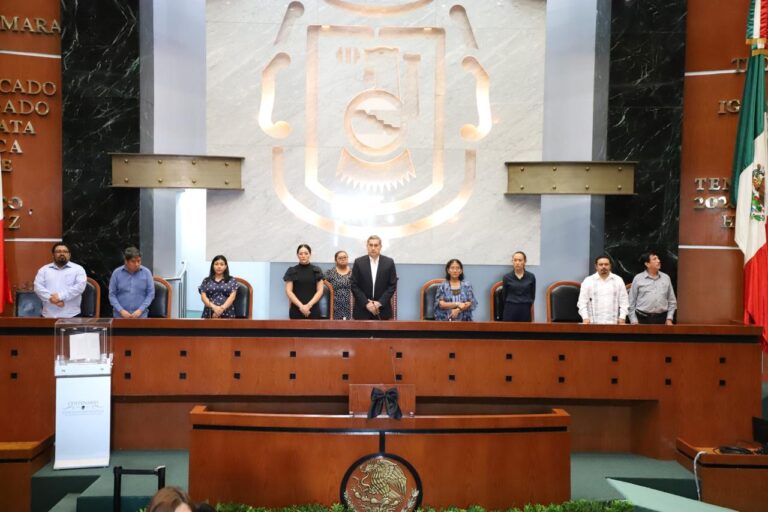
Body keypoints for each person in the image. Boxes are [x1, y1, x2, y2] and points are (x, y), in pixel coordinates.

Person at [33, 243, 87, 318]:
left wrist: (60, 297)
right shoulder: (44, 270)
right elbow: (38, 287)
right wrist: (52, 299)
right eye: (58, 251)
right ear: (53, 254)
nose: (62, 253)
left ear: (69, 254)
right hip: (48, 315)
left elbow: (79, 287)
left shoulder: (78, 269)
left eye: (65, 251)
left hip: (71, 315)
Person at [350, 235, 398, 320]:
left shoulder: (389, 262)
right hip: (362, 310)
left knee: (383, 334)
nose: (373, 248)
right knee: (362, 334)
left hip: (382, 310)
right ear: (367, 246)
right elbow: (354, 285)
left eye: (376, 245)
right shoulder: (358, 262)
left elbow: (392, 285)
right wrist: (366, 303)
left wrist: (379, 303)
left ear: (380, 247)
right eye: (370, 245)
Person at [628, 252, 677, 325]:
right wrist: (633, 320)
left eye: (658, 258)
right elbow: (631, 302)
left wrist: (669, 318)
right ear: (647, 264)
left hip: (662, 319)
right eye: (654, 259)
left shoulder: (666, 278)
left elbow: (672, 301)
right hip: (641, 318)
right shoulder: (638, 278)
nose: (658, 261)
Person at [577, 255, 629, 325]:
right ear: (596, 266)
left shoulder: (618, 280)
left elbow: (624, 302)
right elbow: (582, 302)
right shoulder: (588, 281)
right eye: (601, 264)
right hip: (592, 324)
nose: (603, 266)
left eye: (606, 264)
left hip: (614, 324)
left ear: (610, 266)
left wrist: (622, 318)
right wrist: (585, 318)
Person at [108, 247, 155, 319]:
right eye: (133, 261)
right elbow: (112, 295)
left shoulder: (146, 273)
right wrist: (121, 311)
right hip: (120, 316)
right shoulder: (116, 273)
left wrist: (140, 310)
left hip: (141, 316)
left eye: (139, 261)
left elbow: (150, 294)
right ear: (126, 261)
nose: (136, 264)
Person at [284, 244, 324, 319]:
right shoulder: (292, 270)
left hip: (313, 309)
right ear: (297, 255)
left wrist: (308, 306)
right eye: (301, 253)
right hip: (296, 309)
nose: (303, 255)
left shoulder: (317, 270)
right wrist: (301, 307)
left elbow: (320, 290)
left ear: (310, 254)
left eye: (306, 253)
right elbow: (288, 291)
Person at [501, 251, 536, 322]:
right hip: (510, 308)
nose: (517, 263)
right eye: (515, 260)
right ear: (512, 262)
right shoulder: (507, 277)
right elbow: (504, 295)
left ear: (525, 262)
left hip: (525, 309)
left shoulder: (531, 277)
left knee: (525, 332)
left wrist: (527, 304)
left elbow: (532, 295)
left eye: (520, 260)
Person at [324, 250, 352, 320]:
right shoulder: (330, 272)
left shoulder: (353, 272)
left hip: (351, 307)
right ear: (335, 260)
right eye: (340, 258)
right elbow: (321, 280)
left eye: (345, 257)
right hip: (335, 307)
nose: (343, 259)